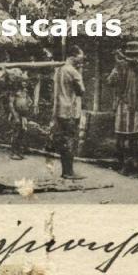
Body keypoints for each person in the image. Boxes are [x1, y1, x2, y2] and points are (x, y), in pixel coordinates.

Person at [107, 41, 138, 174]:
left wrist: (121, 59)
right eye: (135, 54)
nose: (137, 57)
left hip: (133, 104)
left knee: (132, 137)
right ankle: (124, 164)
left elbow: (133, 64)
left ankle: (129, 165)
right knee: (123, 137)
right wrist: (118, 66)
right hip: (125, 104)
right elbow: (110, 81)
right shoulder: (122, 66)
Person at [51, 45, 86, 180]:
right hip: (71, 110)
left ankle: (66, 170)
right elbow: (81, 91)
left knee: (64, 140)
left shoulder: (59, 69)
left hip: (60, 109)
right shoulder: (73, 72)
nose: (81, 59)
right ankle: (69, 172)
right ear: (73, 56)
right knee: (70, 140)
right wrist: (80, 73)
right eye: (80, 57)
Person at [7, 79, 33, 160]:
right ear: (19, 82)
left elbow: (29, 100)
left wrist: (28, 104)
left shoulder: (25, 91)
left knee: (22, 133)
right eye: (23, 81)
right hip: (16, 114)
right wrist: (15, 116)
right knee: (16, 133)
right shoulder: (14, 92)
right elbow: (11, 104)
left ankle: (19, 152)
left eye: (26, 82)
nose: (24, 83)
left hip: (23, 115)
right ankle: (13, 152)